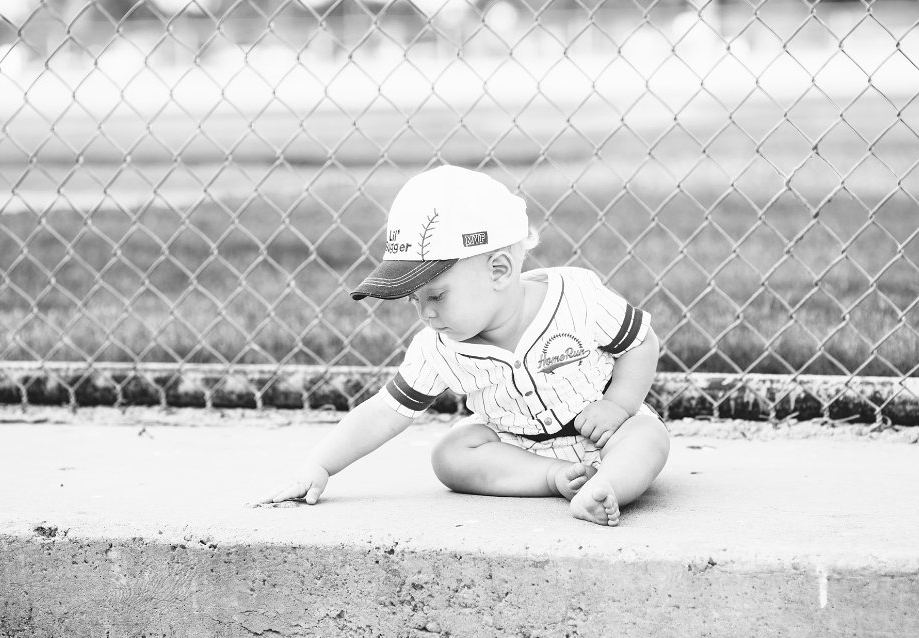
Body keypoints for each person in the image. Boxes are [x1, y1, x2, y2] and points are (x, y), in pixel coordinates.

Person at [260, 164, 670, 526]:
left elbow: (640, 342)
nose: (425, 314)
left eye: (436, 296)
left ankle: (607, 487)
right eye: (414, 300)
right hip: (514, 446)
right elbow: (384, 413)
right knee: (451, 454)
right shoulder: (437, 348)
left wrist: (618, 404)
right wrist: (320, 465)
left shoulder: (575, 296)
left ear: (499, 269)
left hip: (603, 433)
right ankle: (550, 477)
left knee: (648, 436)